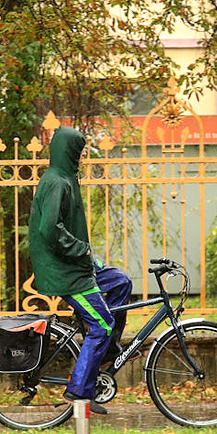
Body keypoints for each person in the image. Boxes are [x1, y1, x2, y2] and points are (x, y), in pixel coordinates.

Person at [28, 126, 131, 414]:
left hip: (76, 263)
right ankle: (78, 391)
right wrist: (80, 249)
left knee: (121, 282)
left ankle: (106, 351)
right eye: (81, 151)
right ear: (70, 151)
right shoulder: (57, 182)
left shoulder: (66, 178)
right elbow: (49, 229)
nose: (84, 156)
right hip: (65, 270)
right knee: (103, 325)